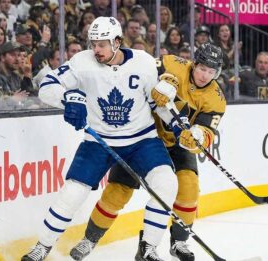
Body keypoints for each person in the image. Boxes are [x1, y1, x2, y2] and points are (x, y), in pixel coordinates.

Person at [22, 16, 179, 261]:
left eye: (102, 44)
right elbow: (47, 85)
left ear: (117, 42)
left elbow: (158, 102)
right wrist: (68, 98)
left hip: (142, 140)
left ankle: (148, 247)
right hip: (99, 140)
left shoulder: (144, 62)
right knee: (73, 193)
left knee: (166, 183)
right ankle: (42, 246)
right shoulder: (82, 62)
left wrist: (177, 122)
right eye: (93, 43)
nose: (96, 49)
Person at [69, 43, 226, 261]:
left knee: (189, 187)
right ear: (194, 64)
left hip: (177, 145)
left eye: (211, 71)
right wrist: (164, 80)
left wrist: (197, 135)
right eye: (202, 68)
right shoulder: (172, 63)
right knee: (117, 192)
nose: (205, 75)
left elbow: (208, 130)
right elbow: (140, 69)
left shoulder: (216, 97)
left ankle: (178, 242)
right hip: (143, 138)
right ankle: (90, 239)